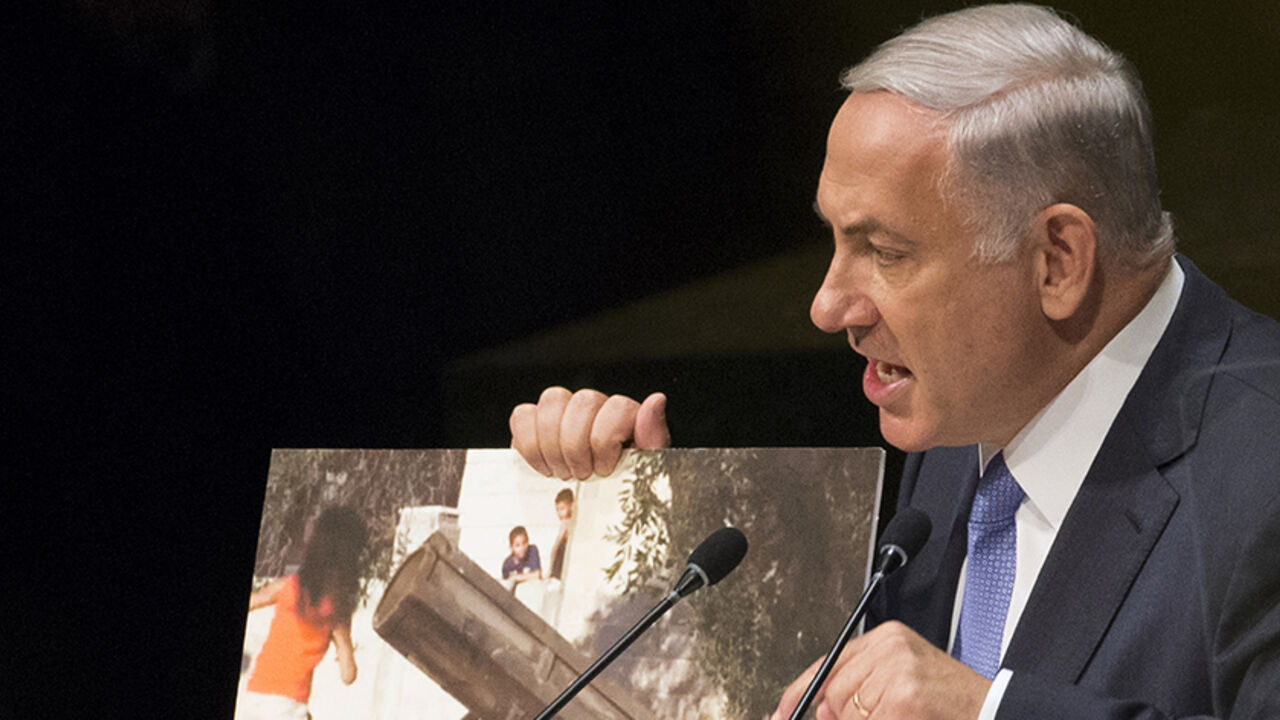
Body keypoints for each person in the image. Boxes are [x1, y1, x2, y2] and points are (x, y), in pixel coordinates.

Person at [507, 4, 1280, 719]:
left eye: (884, 251)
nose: (825, 306)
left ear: (1057, 260)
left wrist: (986, 714)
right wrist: (643, 503)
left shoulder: (1263, 470)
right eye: (835, 240)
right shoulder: (967, 412)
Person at [240, 506, 367, 720]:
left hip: (255, 696)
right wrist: (341, 644)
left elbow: (253, 601)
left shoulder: (289, 586)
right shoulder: (337, 612)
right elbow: (348, 675)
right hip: (289, 704)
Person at [549, 488, 574, 580]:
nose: (559, 513)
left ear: (571, 506)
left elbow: (556, 545)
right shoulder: (569, 523)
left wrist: (550, 568)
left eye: (562, 509)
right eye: (557, 509)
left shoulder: (566, 522)